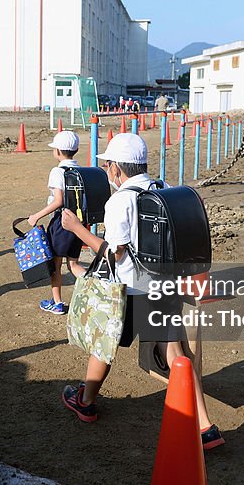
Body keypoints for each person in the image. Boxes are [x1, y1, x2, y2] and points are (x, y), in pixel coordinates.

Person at [58, 134, 224, 448]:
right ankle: (205, 427)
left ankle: (86, 401)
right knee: (176, 353)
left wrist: (77, 230)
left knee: (104, 345)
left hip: (131, 289)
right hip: (163, 285)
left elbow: (114, 252)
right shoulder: (160, 187)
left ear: (116, 169)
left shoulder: (119, 200)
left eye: (108, 165)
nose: (106, 170)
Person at [27, 130, 87, 315]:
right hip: (78, 223)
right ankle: (96, 288)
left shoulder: (58, 171)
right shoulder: (81, 170)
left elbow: (58, 200)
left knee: (55, 265)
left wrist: (36, 215)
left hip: (61, 222)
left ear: (58, 152)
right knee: (74, 264)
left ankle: (57, 302)